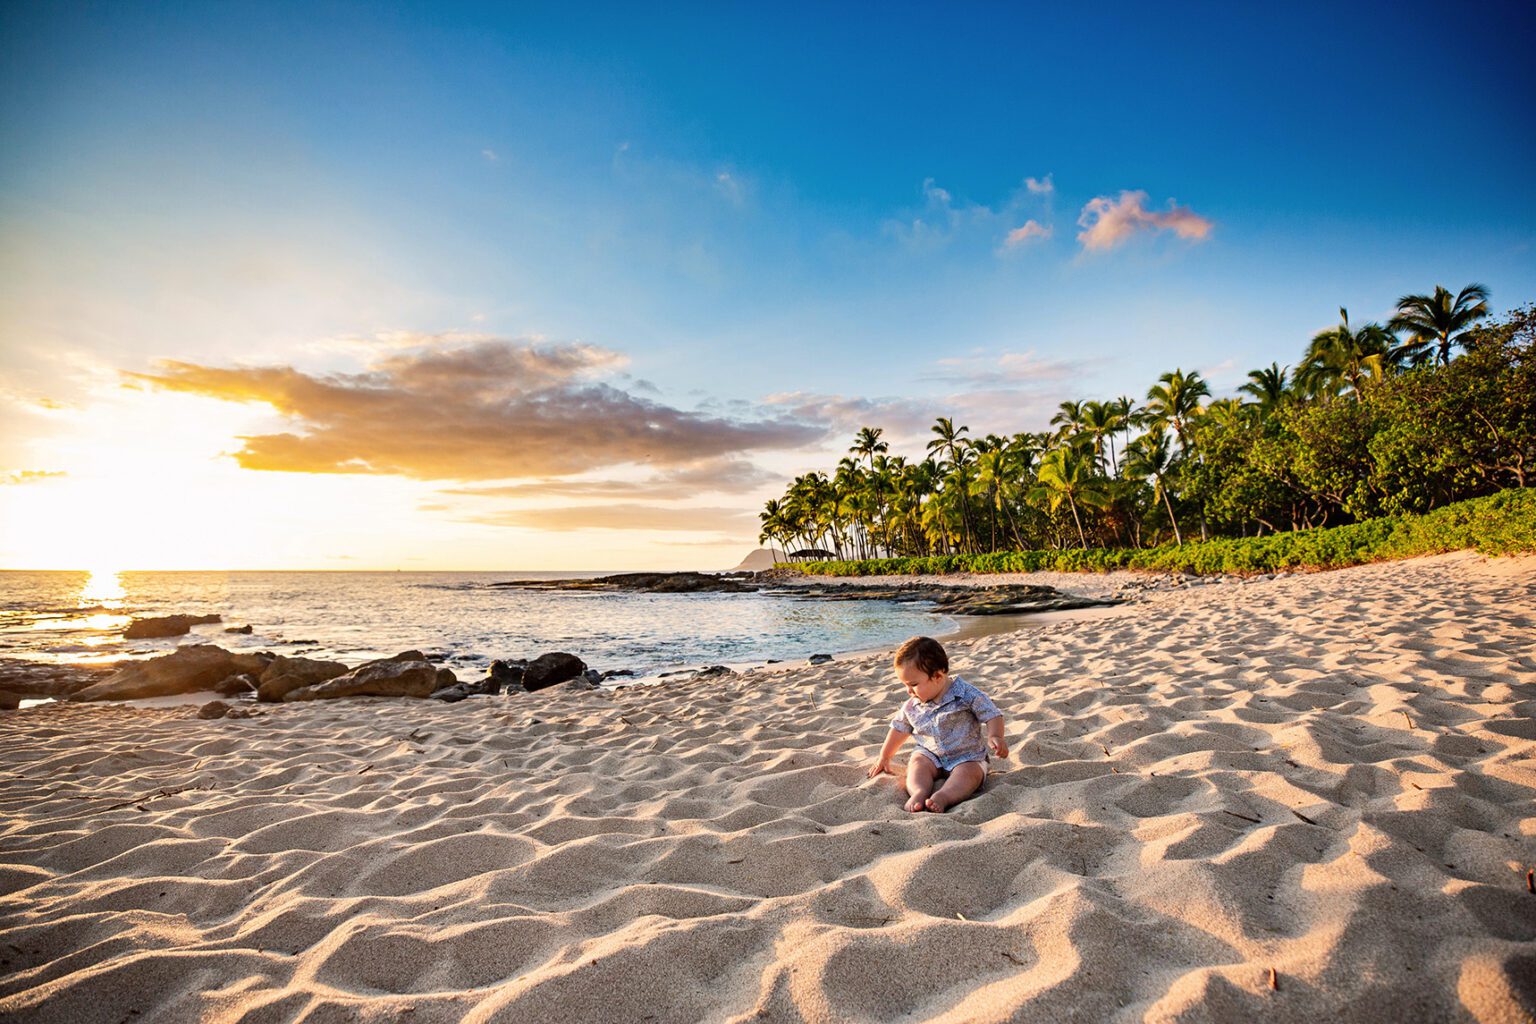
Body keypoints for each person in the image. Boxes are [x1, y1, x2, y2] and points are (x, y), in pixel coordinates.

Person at [865, 635, 1007, 812]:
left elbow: (991, 713)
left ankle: (944, 796)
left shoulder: (966, 694)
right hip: (930, 754)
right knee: (917, 763)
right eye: (905, 685)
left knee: (969, 774)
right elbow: (899, 728)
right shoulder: (912, 705)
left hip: (966, 756)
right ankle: (919, 792)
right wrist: (884, 756)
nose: (909, 691)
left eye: (913, 684)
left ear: (938, 676)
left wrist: (995, 736)